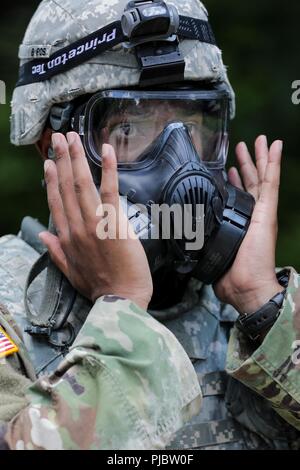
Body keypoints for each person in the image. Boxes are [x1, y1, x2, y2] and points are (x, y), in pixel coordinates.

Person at [1, 0, 300, 450]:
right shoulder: (10, 313)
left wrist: (262, 305)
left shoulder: (255, 313)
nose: (180, 166)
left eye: (193, 124)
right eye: (128, 129)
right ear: (51, 148)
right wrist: (123, 306)